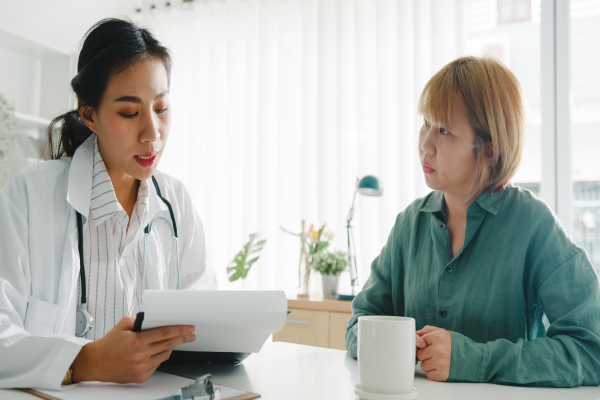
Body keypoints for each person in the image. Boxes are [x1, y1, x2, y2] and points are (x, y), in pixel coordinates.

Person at [345, 56, 600, 387]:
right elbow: (358, 324)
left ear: (490, 149)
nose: (425, 144)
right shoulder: (409, 224)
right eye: (425, 122)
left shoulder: (533, 225)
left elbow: (591, 349)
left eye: (445, 131)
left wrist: (476, 359)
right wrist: (394, 342)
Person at [0, 19, 217, 389]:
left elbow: (209, 324)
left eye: (161, 108)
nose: (152, 134)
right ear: (89, 114)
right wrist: (86, 362)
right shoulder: (28, 197)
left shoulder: (176, 203)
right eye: (129, 113)